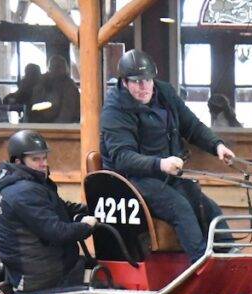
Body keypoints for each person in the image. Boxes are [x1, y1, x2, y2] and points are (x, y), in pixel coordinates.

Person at [100, 49, 234, 261]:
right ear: (124, 82)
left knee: (207, 207)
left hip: (166, 174)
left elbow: (192, 126)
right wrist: (161, 164)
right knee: (180, 208)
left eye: (147, 80)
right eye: (136, 81)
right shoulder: (114, 110)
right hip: (131, 180)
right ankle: (202, 264)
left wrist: (216, 145)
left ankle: (230, 258)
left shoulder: (165, 94)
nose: (144, 86)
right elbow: (122, 158)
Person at [0, 130, 98, 292]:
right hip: (37, 275)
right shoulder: (23, 191)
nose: (43, 163)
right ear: (18, 161)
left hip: (34, 265)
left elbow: (59, 207)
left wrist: (93, 209)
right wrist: (86, 227)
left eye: (44, 158)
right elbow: (56, 232)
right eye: (35, 159)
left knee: (85, 263)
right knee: (86, 268)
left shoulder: (30, 183)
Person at [27, 56, 80, 123]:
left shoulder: (69, 87)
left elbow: (66, 113)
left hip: (63, 125)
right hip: (41, 122)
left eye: (58, 67)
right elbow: (35, 102)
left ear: (65, 69)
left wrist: (56, 126)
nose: (55, 70)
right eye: (52, 67)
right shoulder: (43, 82)